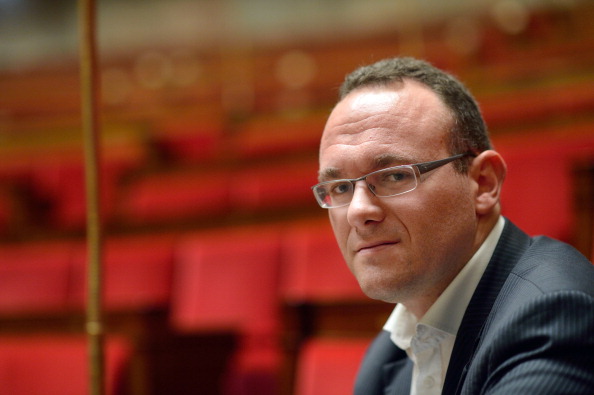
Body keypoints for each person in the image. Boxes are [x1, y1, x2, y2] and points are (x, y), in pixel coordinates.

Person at [311, 57, 594, 394]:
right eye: (340, 187)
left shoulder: (555, 314)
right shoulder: (389, 356)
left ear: (483, 183)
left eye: (395, 176)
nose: (358, 211)